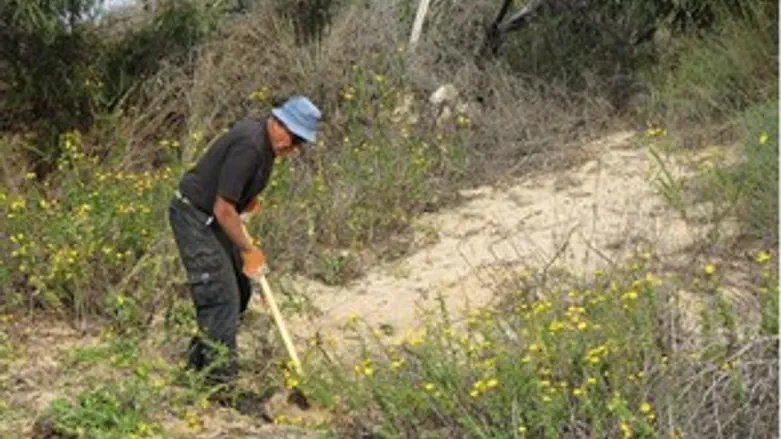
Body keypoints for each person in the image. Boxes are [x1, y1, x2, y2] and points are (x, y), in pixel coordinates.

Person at [167, 96, 321, 394]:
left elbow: (233, 197)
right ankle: (222, 388)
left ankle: (199, 365)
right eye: (293, 137)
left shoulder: (267, 147)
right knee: (220, 295)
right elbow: (223, 209)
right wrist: (249, 251)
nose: (294, 147)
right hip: (194, 216)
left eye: (300, 142)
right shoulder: (251, 145)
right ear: (278, 123)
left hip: (215, 216)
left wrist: (247, 203)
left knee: (240, 289)